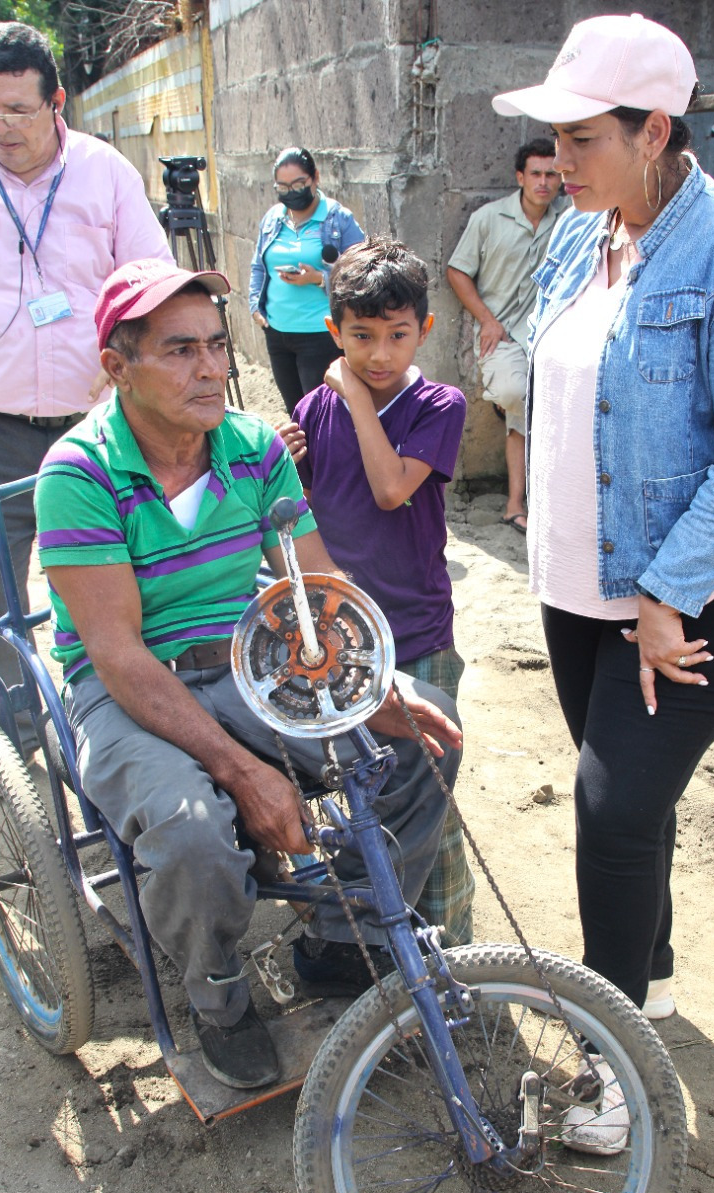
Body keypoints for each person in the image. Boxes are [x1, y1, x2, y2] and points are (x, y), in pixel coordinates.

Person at [492, 13, 714, 1152]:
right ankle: (653, 977)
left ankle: (612, 1067)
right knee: (632, 807)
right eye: (553, 138)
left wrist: (667, 591)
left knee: (611, 806)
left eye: (579, 137)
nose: (556, 161)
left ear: (653, 129)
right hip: (583, 590)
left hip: (691, 596)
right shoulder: (585, 239)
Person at [34, 258, 463, 1091]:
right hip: (129, 688)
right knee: (196, 834)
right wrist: (244, 771)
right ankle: (219, 994)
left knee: (424, 736)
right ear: (117, 367)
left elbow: (317, 583)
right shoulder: (78, 474)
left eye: (217, 347)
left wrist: (377, 681)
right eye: (179, 351)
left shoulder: (254, 447)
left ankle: (339, 942)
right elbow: (119, 656)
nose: (209, 369)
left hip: (248, 656)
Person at [280, 237, 475, 949]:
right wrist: (285, 454)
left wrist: (355, 396)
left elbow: (392, 489)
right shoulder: (312, 408)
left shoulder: (438, 404)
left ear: (424, 329)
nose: (379, 354)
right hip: (340, 640)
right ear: (334, 332)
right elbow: (300, 511)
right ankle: (377, 947)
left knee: (428, 795)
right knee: (370, 796)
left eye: (397, 335)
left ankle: (451, 951)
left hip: (416, 633)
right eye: (360, 337)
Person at [0, 21, 173, 758]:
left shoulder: (105, 174)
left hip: (98, 428)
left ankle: (113, 733)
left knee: (107, 588)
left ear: (57, 101)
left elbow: (155, 284)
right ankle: (22, 748)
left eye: (17, 111)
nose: (1, 127)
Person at [447, 138, 563, 534]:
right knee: (517, 396)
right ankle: (522, 500)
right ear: (520, 177)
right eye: (536, 174)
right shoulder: (488, 218)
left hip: (548, 334)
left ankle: (517, 504)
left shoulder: (571, 221)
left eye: (552, 174)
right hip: (504, 337)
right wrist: (487, 319)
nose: (544, 182)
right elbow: (457, 271)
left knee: (525, 413)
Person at [249, 146, 365, 410]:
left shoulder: (338, 219)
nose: (292, 192)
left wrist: (320, 279)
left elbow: (363, 274)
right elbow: (258, 266)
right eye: (283, 187)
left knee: (321, 415)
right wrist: (255, 306)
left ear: (315, 178)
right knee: (296, 413)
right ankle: (300, 455)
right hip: (278, 333)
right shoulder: (272, 219)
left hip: (320, 334)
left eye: (299, 184)